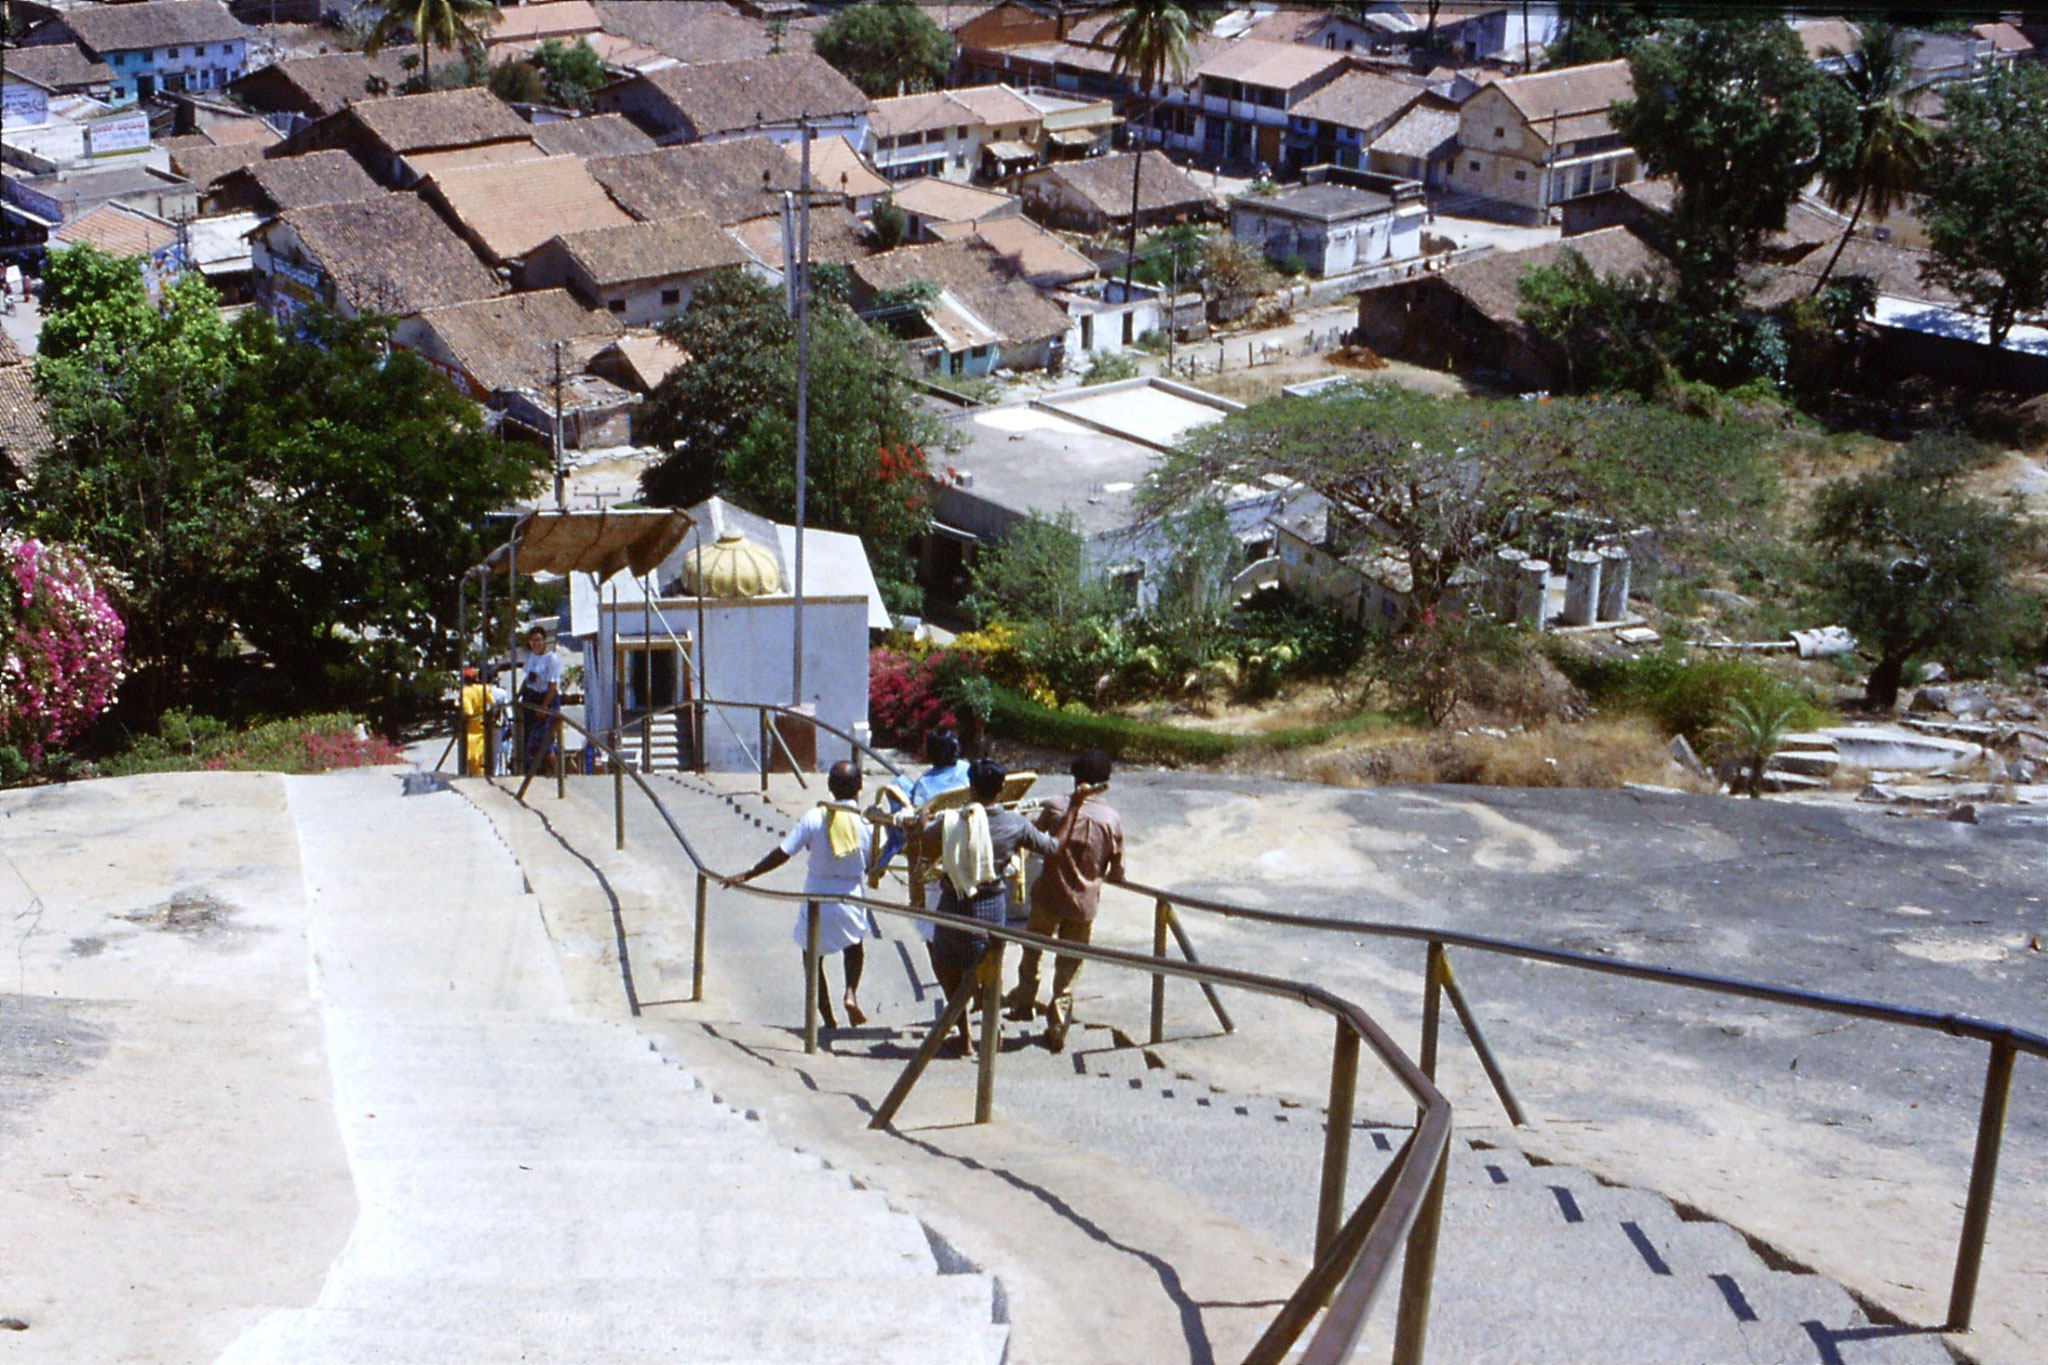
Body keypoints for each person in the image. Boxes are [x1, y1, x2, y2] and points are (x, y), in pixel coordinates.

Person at [922, 759, 1059, 1055]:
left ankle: (965, 1035)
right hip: (991, 905)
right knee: (990, 970)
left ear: (970, 788)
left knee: (947, 967)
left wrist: (923, 818)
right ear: (1002, 789)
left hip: (954, 903)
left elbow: (925, 834)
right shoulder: (1016, 824)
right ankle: (991, 1025)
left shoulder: (952, 821)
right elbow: (1050, 847)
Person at [725, 760, 874, 1030]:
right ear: (860, 787)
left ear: (829, 787)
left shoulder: (814, 817)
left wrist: (749, 874)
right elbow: (875, 864)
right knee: (854, 948)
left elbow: (783, 853)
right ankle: (851, 992)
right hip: (851, 897)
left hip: (817, 896)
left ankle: (828, 1019)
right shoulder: (866, 824)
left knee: (812, 958)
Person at [1004, 748, 1123, 1051]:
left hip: (1048, 894)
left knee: (1032, 950)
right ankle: (1058, 1022)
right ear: (1105, 781)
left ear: (1075, 777)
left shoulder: (1056, 807)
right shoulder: (1111, 820)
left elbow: (1034, 838)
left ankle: (1025, 1002)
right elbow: (1118, 869)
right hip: (1084, 904)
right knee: (1069, 964)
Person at [517, 626, 562, 774]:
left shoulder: (551, 659)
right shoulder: (531, 657)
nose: (536, 643)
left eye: (539, 640)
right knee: (529, 738)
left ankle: (557, 771)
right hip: (532, 696)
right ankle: (536, 771)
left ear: (544, 641)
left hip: (546, 698)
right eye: (533, 640)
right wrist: (519, 696)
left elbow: (552, 686)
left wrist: (544, 707)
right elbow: (528, 679)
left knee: (544, 739)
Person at [457, 666, 493, 776]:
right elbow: (492, 702)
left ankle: (478, 777)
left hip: (471, 729)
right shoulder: (484, 688)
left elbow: (468, 712)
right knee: (482, 756)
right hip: (483, 725)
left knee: (472, 758)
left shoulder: (466, 692)